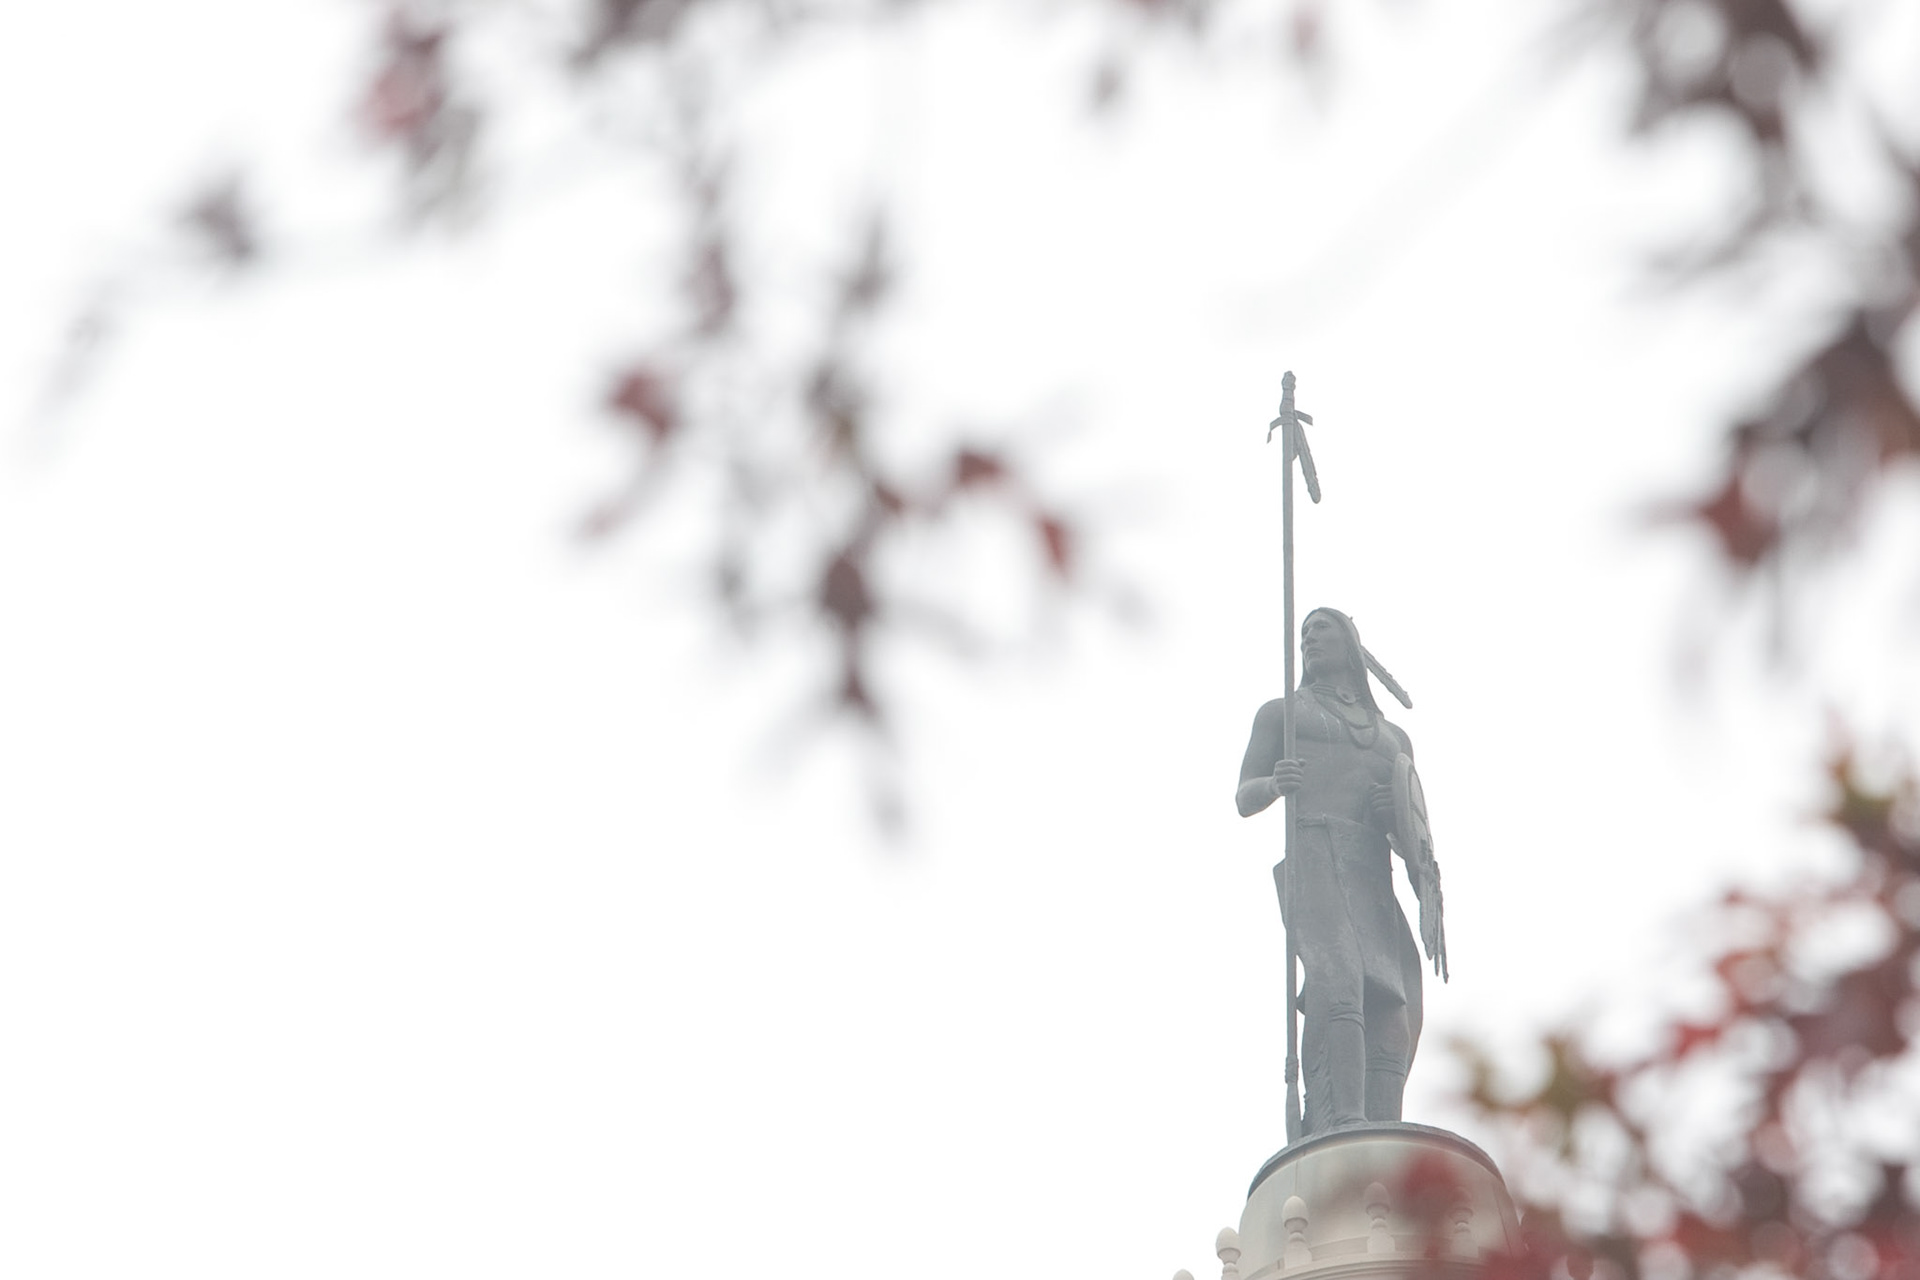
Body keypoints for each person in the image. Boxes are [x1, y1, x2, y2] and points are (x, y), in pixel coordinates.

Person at [1235, 607, 1436, 1134]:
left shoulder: (1393, 739)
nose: (1308, 637)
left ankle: (1381, 1129)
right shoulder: (1282, 715)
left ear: (1349, 643)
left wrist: (1390, 814)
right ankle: (1343, 1120)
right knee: (1340, 981)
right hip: (1315, 853)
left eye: (1321, 628)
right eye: (1304, 631)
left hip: (1371, 869)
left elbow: (1411, 834)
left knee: (1392, 1004)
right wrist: (1274, 784)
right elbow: (1244, 796)